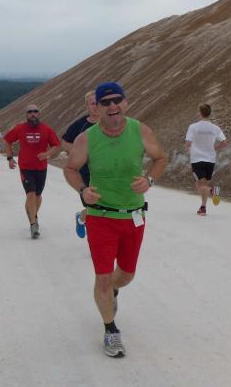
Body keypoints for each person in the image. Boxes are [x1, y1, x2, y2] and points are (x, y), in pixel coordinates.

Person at [64, 82, 166, 358]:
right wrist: (83, 190)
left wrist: (149, 180)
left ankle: (113, 293)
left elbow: (160, 158)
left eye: (117, 100)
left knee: (127, 275)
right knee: (104, 278)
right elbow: (71, 168)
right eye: (105, 102)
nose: (112, 106)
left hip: (133, 215)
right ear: (97, 107)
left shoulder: (140, 130)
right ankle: (110, 329)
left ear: (125, 103)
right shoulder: (87, 138)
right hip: (100, 216)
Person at [3, 104, 61, 239]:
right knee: (31, 194)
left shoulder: (46, 129)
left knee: (38, 196)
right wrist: (10, 158)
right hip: (25, 167)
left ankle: (33, 215)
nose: (33, 114)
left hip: (41, 168)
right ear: (26, 114)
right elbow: (7, 140)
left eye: (35, 111)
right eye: (30, 112)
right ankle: (34, 225)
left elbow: (56, 145)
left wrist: (47, 154)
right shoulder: (20, 128)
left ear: (39, 114)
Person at [62, 90, 99, 238]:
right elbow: (65, 142)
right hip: (86, 173)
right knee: (93, 206)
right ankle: (82, 220)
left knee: (103, 206)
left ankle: (84, 219)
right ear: (87, 106)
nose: (96, 106)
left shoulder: (110, 123)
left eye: (99, 102)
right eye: (92, 103)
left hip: (109, 173)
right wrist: (79, 152)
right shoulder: (80, 125)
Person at [185, 103, 228, 215]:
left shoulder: (193, 127)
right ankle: (203, 208)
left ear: (200, 113)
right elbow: (224, 143)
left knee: (199, 185)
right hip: (210, 159)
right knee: (204, 185)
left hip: (197, 159)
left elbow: (188, 143)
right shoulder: (215, 128)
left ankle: (213, 191)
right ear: (209, 113)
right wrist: (214, 148)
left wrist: (192, 146)